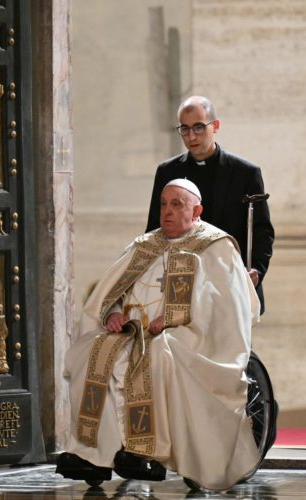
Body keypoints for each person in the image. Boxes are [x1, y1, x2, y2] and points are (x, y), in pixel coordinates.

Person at [57, 179, 262, 491]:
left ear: (197, 211)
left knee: (157, 356)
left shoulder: (215, 247)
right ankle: (91, 455)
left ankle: (146, 453)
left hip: (186, 336)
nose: (167, 211)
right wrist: (113, 312)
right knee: (93, 353)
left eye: (176, 204)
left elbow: (224, 307)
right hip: (130, 332)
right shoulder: (144, 245)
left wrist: (170, 320)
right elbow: (113, 291)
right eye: (164, 204)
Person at [146, 96, 274, 313]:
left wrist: (257, 272)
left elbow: (262, 232)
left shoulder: (246, 173)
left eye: (198, 127)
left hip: (231, 284)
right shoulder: (168, 172)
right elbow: (154, 228)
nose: (191, 136)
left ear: (215, 126)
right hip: (181, 285)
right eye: (184, 129)